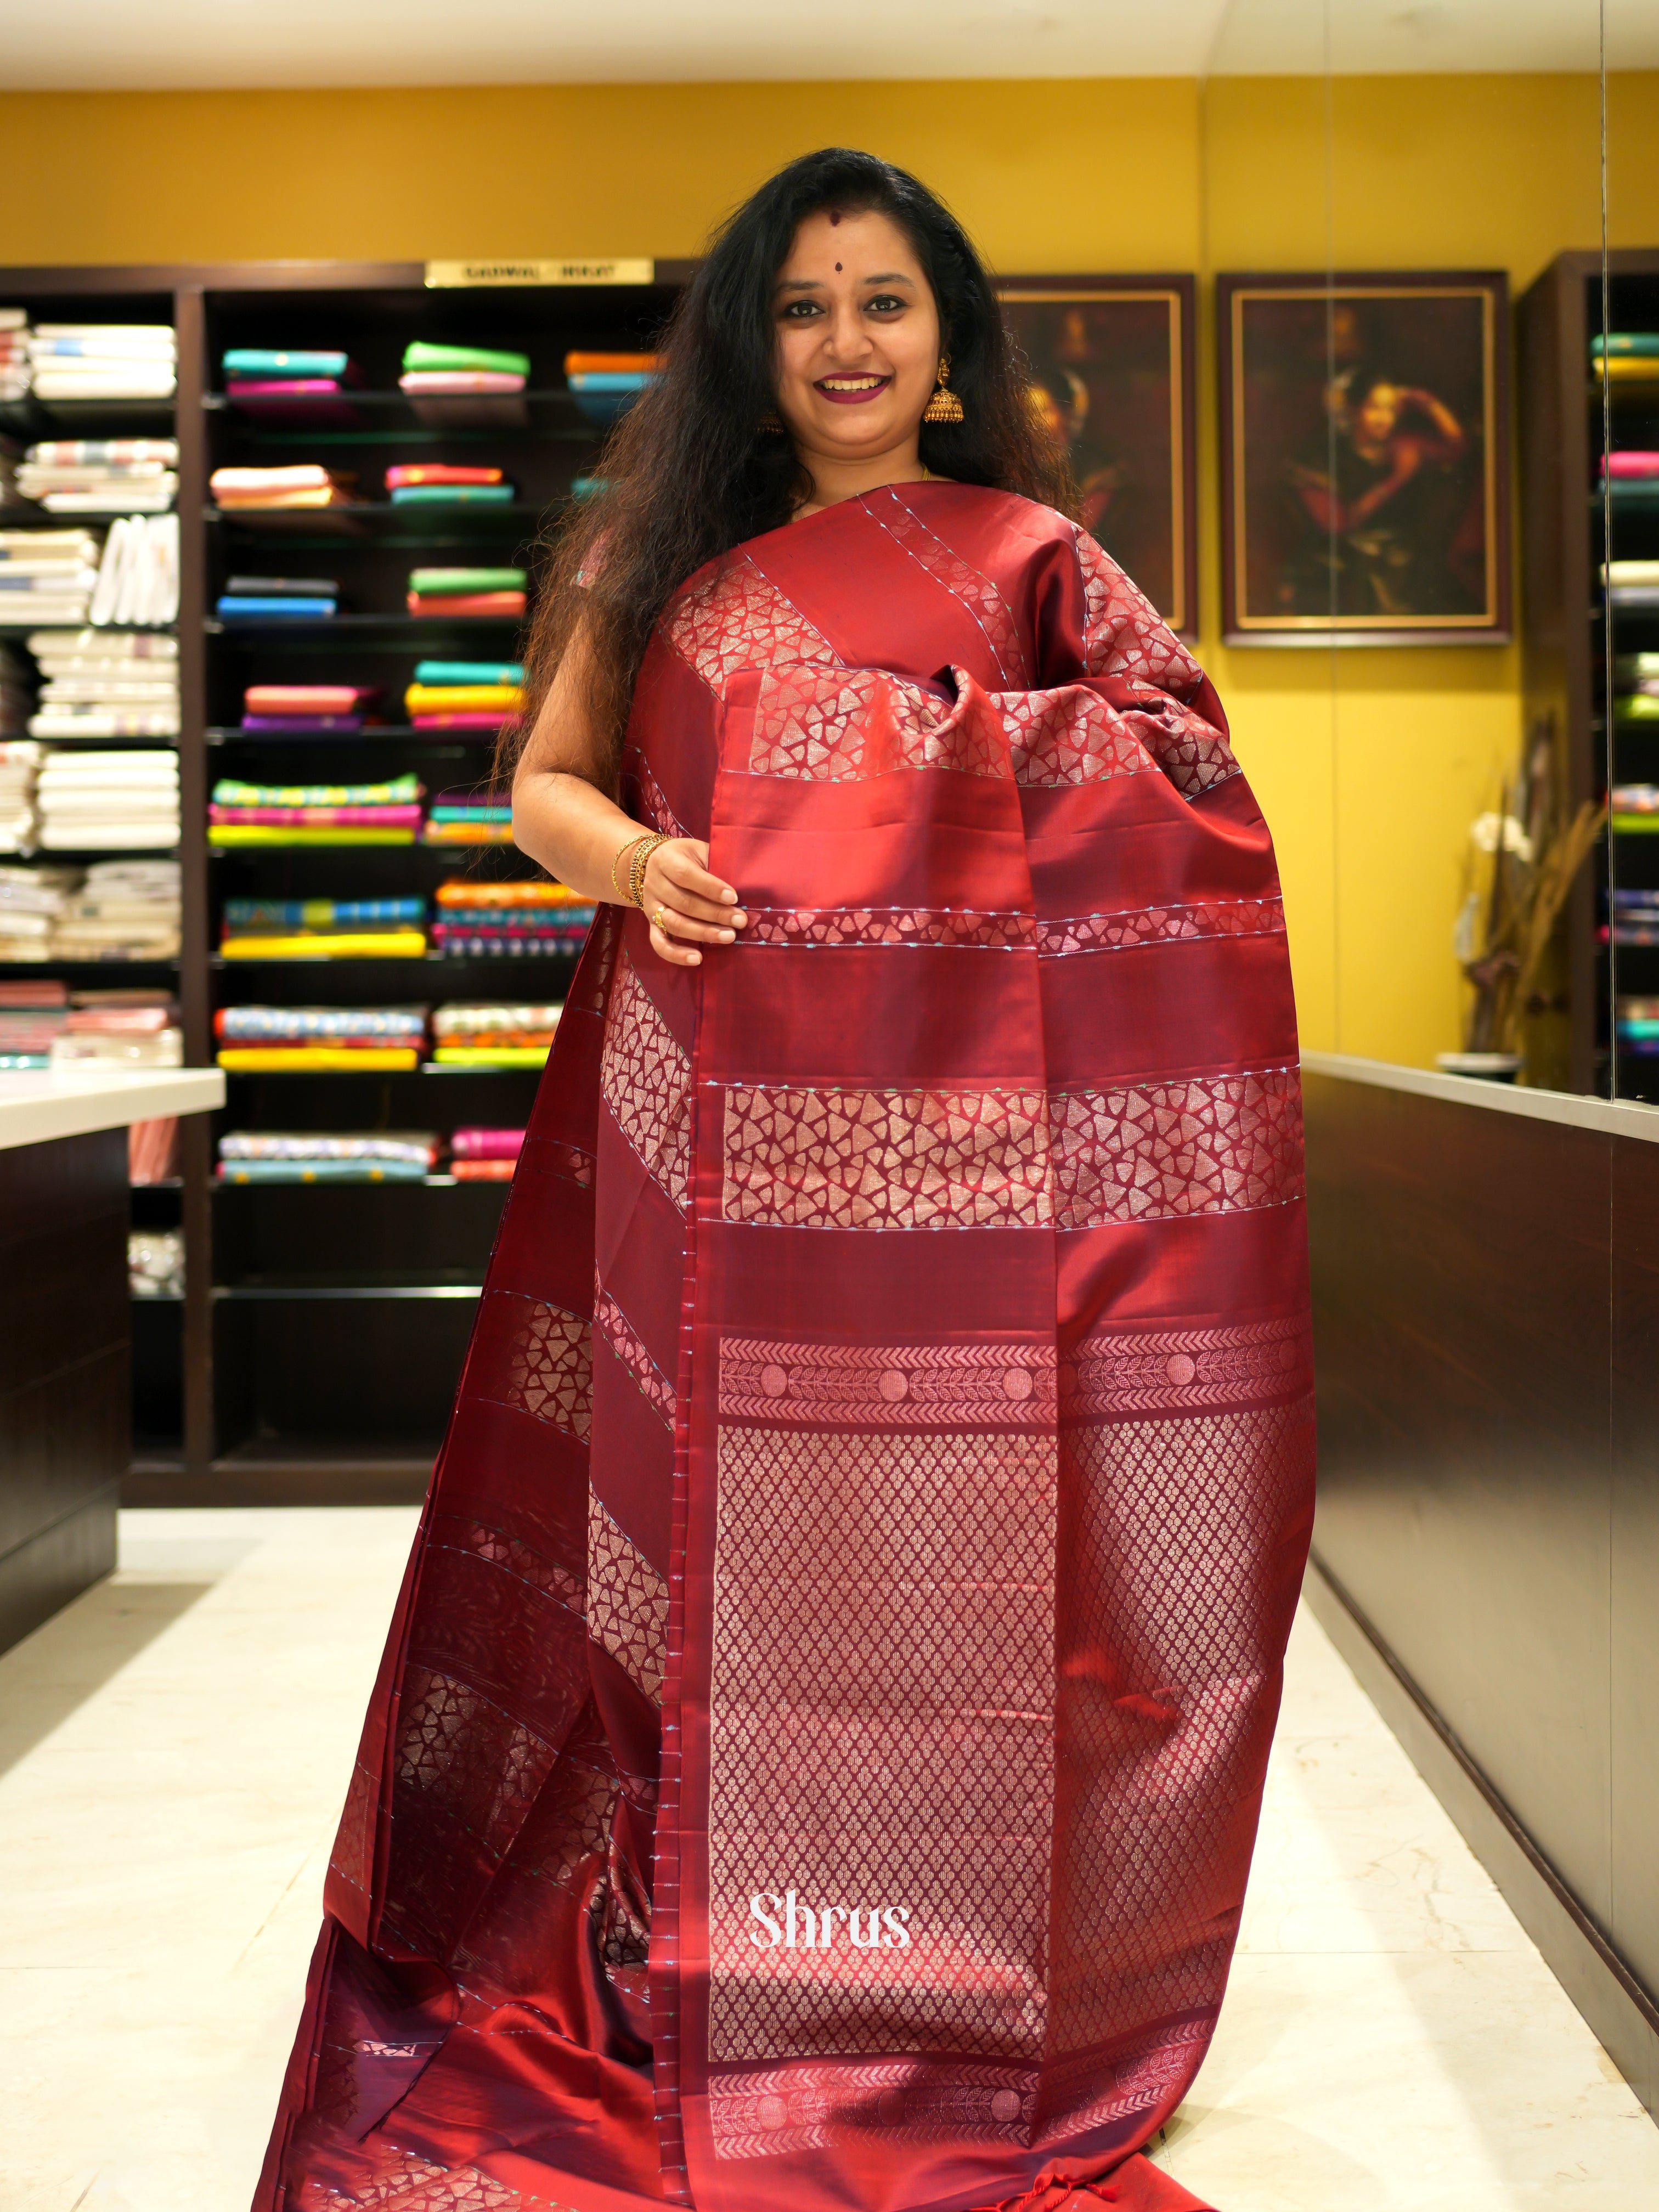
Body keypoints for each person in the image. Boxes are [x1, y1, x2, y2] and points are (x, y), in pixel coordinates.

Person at [256, 148, 1312, 2212]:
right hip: (703, 1116)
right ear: (751, 339)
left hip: (972, 1170)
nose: (842, 341)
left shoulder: (1028, 559)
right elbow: (542, 782)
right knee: (678, 1530)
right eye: (805, 303)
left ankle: (965, 1967)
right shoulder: (653, 550)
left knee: (961, 1554)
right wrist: (640, 857)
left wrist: (960, 762)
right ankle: (702, 1930)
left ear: (945, 342)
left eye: (883, 301)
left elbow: (1187, 782)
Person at [1283, 371, 1473, 617]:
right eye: (1374, 408)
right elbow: (1343, 522)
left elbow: (1458, 448)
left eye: (1391, 410)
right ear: (1352, 410)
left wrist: (1429, 404)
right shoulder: (1329, 456)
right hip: (1351, 568)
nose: (1384, 419)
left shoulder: (1402, 446)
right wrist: (1398, 478)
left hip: (1405, 566)